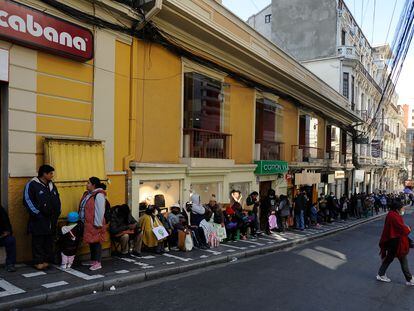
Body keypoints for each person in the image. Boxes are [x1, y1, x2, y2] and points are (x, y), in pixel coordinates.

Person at [23, 165, 61, 270]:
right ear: (44, 174)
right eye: (50, 173)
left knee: (48, 241)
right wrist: (37, 214)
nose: (52, 175)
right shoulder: (32, 184)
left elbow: (57, 198)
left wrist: (57, 212)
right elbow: (27, 200)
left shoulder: (52, 185)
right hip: (38, 219)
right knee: (38, 241)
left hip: (51, 219)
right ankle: (38, 262)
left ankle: (46, 260)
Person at [377, 200, 414, 285]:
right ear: (397, 209)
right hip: (395, 242)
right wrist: (408, 229)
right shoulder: (393, 216)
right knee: (401, 258)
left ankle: (381, 274)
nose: (403, 210)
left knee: (391, 259)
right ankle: (409, 279)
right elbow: (400, 227)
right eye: (402, 208)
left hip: (394, 241)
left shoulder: (392, 214)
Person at [79, 177, 107, 271]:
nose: (86, 184)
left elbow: (100, 211)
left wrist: (98, 224)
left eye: (88, 183)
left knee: (96, 242)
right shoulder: (88, 194)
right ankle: (93, 260)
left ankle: (97, 262)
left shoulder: (98, 195)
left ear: (93, 185)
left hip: (95, 223)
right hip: (88, 223)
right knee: (92, 241)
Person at [0, 205, 17, 272]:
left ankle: (10, 264)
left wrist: (6, 233)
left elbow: (7, 226)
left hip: (1, 236)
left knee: (10, 240)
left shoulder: (1, 209)